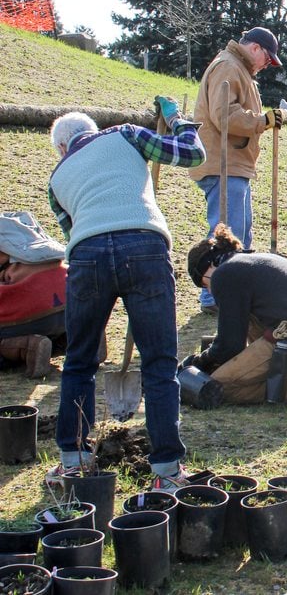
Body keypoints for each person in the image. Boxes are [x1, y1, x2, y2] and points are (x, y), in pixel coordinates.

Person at [47, 101, 204, 488]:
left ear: (64, 149)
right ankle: (167, 471)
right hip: (144, 246)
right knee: (159, 364)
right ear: (92, 128)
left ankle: (73, 462)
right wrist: (181, 122)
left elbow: (74, 233)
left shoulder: (56, 180)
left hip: (86, 257)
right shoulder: (125, 134)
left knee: (79, 362)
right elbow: (192, 154)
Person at [184, 224, 287, 407]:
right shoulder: (252, 261)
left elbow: (230, 345)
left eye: (204, 282)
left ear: (211, 264)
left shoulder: (225, 274)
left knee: (213, 387)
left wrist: (201, 362)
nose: (209, 289)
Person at [190, 26, 283, 314]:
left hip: (234, 165)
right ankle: (214, 296)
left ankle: (233, 291)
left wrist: (262, 121)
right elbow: (224, 116)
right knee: (226, 233)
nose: (266, 65)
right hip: (223, 164)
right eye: (267, 58)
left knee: (240, 232)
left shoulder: (238, 70)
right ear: (254, 48)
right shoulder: (228, 67)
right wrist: (261, 121)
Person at [0, 214, 67, 379]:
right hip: (69, 308)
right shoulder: (32, 236)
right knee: (53, 326)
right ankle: (81, 340)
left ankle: (28, 346)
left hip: (31, 309)